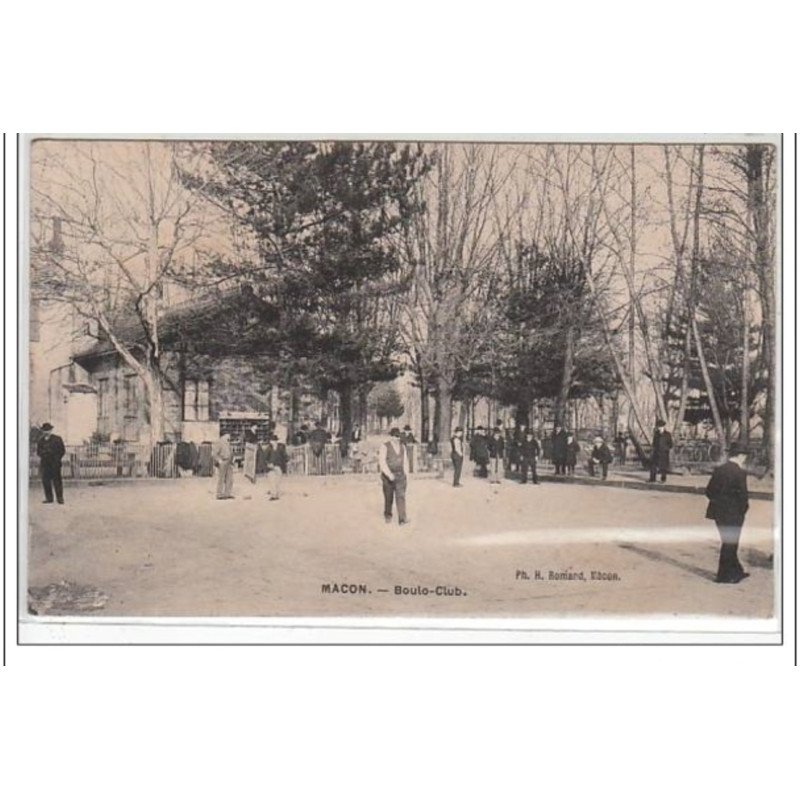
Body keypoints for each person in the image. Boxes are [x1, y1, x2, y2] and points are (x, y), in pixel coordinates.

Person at [705, 444, 751, 584]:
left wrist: (719, 503)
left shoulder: (719, 470)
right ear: (740, 456)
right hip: (733, 513)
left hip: (718, 512)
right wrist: (742, 510)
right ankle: (723, 576)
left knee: (728, 541)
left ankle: (737, 570)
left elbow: (708, 491)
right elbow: (743, 496)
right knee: (730, 543)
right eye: (744, 456)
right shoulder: (740, 472)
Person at [379, 427, 409, 525]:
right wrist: (389, 474)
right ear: (391, 437)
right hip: (388, 476)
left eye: (398, 437)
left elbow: (405, 461)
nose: (397, 439)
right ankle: (388, 515)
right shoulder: (385, 446)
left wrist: (406, 474)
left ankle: (402, 519)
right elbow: (382, 462)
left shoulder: (402, 447)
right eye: (395, 437)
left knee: (401, 496)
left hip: (400, 475)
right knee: (389, 497)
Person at [36, 422, 66, 504]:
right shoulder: (41, 441)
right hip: (45, 464)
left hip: (55, 464)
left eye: (48, 430)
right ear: (43, 431)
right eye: (45, 430)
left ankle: (60, 498)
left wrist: (56, 458)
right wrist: (44, 454)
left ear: (51, 430)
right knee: (46, 481)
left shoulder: (57, 439)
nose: (46, 432)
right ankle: (49, 498)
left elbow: (62, 451)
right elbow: (38, 452)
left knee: (57, 481)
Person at [264, 434, 287, 501]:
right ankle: (274, 495)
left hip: (278, 466)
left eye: (275, 441)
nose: (274, 442)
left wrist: (287, 460)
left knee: (277, 481)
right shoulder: (269, 448)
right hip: (271, 467)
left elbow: (285, 456)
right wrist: (268, 464)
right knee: (272, 481)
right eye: (272, 441)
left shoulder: (280, 448)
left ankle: (275, 493)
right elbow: (265, 458)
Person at [212, 432, 234, 499]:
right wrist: (219, 461)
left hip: (229, 462)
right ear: (225, 435)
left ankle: (227, 493)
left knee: (230, 479)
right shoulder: (218, 442)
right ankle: (219, 494)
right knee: (221, 478)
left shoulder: (227, 442)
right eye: (228, 435)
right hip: (223, 461)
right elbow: (214, 454)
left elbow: (230, 451)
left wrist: (232, 459)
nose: (229, 436)